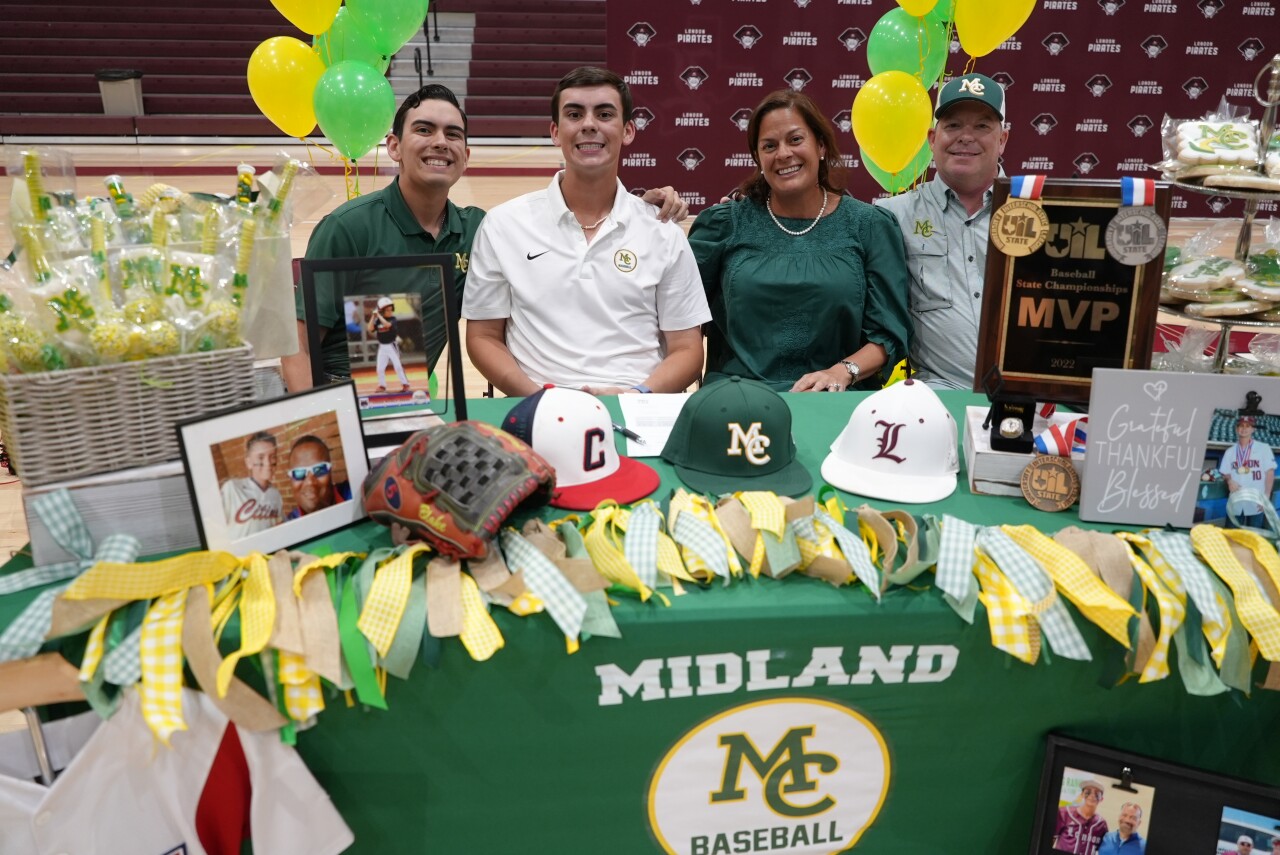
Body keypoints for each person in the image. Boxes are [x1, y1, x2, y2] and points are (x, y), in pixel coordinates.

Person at [282, 83, 686, 393]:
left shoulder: (477, 229)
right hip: (332, 391)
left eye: (453, 134)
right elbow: (296, 344)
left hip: (394, 394)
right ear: (393, 147)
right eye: (424, 130)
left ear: (466, 155)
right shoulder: (351, 226)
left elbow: (548, 236)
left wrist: (635, 208)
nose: (440, 141)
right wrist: (319, 429)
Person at [463, 67, 711, 396]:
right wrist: (538, 398)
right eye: (575, 114)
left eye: (605, 114)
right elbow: (483, 337)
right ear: (555, 131)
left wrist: (636, 396)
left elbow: (687, 349)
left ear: (628, 131)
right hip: (535, 410)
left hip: (638, 408)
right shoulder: (503, 224)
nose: (589, 124)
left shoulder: (662, 231)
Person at [687, 89, 909, 392]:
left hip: (835, 400)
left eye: (795, 139)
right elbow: (676, 314)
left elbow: (888, 334)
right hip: (738, 398)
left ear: (820, 145)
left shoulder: (869, 226)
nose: (783, 154)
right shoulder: (724, 225)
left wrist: (842, 372)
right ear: (758, 158)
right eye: (769, 145)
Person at [875, 72, 1009, 391]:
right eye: (953, 125)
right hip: (939, 396)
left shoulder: (1036, 212)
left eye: (982, 126)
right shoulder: (891, 216)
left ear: (1003, 139)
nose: (966, 136)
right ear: (933, 138)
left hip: (1029, 396)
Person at [220, 431, 283, 538]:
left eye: (272, 456)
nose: (267, 463)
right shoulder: (232, 488)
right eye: (260, 457)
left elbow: (278, 525)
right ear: (249, 462)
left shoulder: (275, 494)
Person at [1221, 415, 1277, 528]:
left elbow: (1269, 473)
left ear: (1253, 429)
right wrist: (1229, 480)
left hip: (1256, 500)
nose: (1244, 428)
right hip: (1235, 500)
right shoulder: (1230, 452)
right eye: (1241, 426)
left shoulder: (1263, 448)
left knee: (1254, 537)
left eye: (1248, 426)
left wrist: (1266, 496)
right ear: (1237, 429)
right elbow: (1225, 472)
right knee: (1232, 536)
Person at [286, 435, 352, 519]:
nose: (310, 482)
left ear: (330, 471)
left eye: (320, 469)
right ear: (290, 479)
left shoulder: (355, 494)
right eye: (299, 473)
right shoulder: (288, 526)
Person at [367, 296, 411, 392]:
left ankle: (405, 384)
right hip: (382, 347)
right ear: (382, 311)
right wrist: (373, 316)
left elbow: (387, 325)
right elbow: (370, 329)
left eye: (391, 309)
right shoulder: (378, 320)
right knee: (379, 368)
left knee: (398, 366)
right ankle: (382, 385)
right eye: (387, 310)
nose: (390, 311)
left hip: (391, 345)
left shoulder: (393, 319)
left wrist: (378, 315)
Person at [1053, 779, 1109, 854]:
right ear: (1082, 794)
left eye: (1097, 793)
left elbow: (1103, 849)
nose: (1092, 795)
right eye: (1088, 792)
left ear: (1101, 799)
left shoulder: (1101, 824)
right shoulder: (1064, 813)